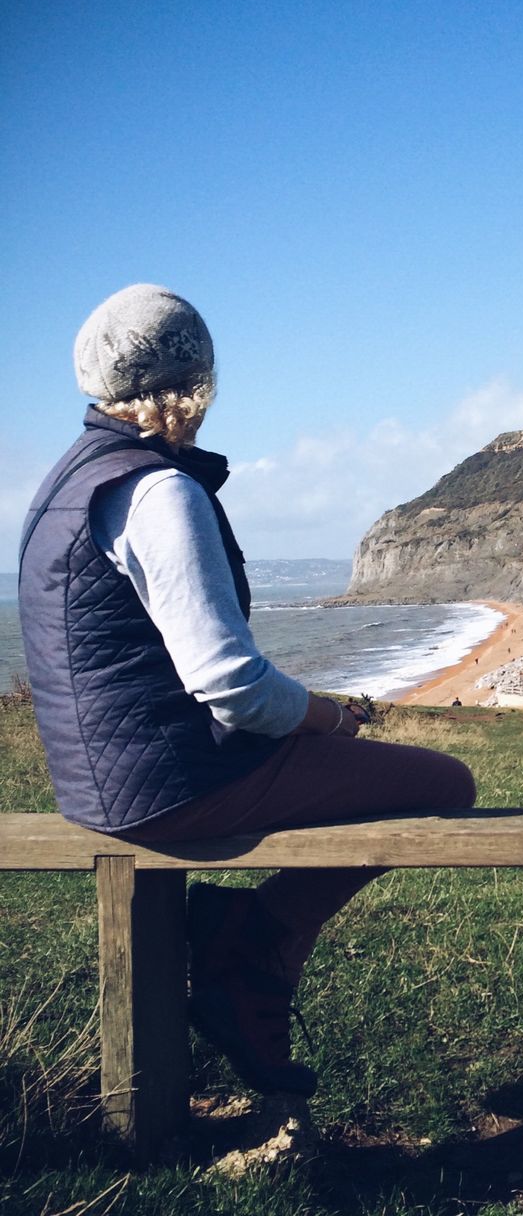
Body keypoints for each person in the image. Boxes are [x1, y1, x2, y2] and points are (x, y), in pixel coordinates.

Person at [18, 285, 476, 1099]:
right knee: (446, 784)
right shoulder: (159, 492)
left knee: (362, 765)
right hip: (171, 789)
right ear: (200, 382)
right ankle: (253, 948)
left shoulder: (65, 482)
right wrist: (332, 718)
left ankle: (252, 955)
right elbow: (232, 686)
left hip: (96, 785)